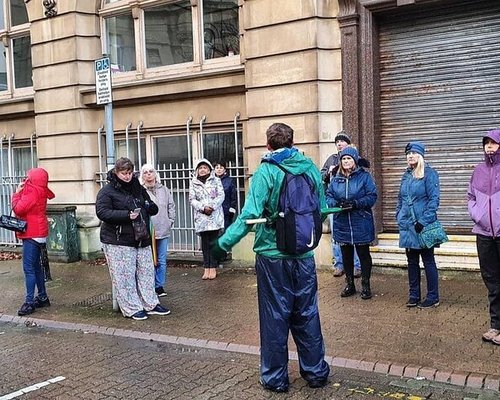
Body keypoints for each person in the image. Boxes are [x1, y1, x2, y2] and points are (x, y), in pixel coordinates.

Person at [212, 123, 330, 393]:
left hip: (272, 256)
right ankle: (316, 372)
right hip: (304, 255)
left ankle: (276, 378)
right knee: (307, 313)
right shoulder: (310, 167)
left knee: (275, 316)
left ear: (268, 145)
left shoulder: (266, 171)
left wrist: (223, 244)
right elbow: (321, 211)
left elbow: (249, 216)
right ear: (292, 142)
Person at [96, 157, 171, 321]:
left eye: (129, 173)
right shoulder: (107, 191)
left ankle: (150, 303)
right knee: (124, 275)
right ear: (117, 172)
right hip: (118, 240)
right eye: (124, 173)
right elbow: (102, 212)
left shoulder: (137, 187)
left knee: (146, 272)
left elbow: (150, 204)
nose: (127, 176)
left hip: (141, 237)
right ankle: (131, 307)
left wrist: (150, 207)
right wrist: (126, 215)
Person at [326, 147, 377, 300]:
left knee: (363, 254)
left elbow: (372, 196)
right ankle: (350, 284)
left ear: (355, 160)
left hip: (360, 220)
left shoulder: (364, 177)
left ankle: (366, 285)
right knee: (346, 255)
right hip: (342, 221)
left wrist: (356, 203)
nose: (346, 161)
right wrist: (337, 203)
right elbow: (328, 196)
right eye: (343, 159)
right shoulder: (336, 178)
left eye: (349, 158)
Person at [395, 142, 441, 309]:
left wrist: (423, 221)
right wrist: (398, 215)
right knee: (412, 261)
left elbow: (434, 200)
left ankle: (433, 296)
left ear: (421, 155)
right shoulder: (406, 175)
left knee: (428, 260)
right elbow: (400, 199)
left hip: (423, 226)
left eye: (414, 153)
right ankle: (414, 295)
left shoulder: (430, 174)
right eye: (408, 153)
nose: (410, 156)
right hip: (407, 226)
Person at [467, 129, 500, 345]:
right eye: (486, 143)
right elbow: (471, 197)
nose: (489, 146)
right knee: (492, 281)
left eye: (494, 142)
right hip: (484, 234)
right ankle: (496, 326)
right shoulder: (477, 170)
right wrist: (478, 216)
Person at [321, 131, 367, 278]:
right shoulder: (331, 159)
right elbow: (321, 177)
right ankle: (339, 264)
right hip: (336, 205)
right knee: (337, 236)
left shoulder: (356, 158)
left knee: (355, 236)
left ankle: (357, 266)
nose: (339, 144)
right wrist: (328, 174)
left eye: (342, 141)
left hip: (353, 206)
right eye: (337, 142)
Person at [12, 168, 55, 316]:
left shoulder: (32, 191)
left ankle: (29, 302)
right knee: (36, 267)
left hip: (31, 233)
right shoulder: (42, 190)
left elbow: (18, 208)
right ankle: (42, 297)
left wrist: (16, 194)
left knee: (28, 268)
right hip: (39, 232)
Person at [140, 164, 176, 298]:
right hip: (147, 231)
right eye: (145, 172)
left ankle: (159, 285)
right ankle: (148, 285)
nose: (148, 174)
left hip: (163, 228)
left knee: (161, 259)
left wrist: (170, 221)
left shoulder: (164, 189)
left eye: (151, 172)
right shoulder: (140, 190)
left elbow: (171, 206)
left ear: (155, 174)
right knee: (149, 259)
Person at [189, 158, 224, 280]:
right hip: (202, 217)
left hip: (214, 216)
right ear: (197, 171)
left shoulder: (216, 180)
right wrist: (203, 208)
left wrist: (212, 207)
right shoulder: (193, 182)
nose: (202, 170)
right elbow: (192, 199)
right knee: (205, 244)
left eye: (205, 168)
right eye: (200, 168)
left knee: (213, 243)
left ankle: (213, 267)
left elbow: (221, 195)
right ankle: (206, 267)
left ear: (209, 169)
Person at [214, 161, 237, 231]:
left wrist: (232, 210)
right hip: (214, 211)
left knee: (226, 231)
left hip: (226, 211)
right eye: (217, 168)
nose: (219, 169)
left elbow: (233, 196)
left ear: (224, 170)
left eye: (221, 168)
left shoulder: (229, 181)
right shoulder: (211, 181)